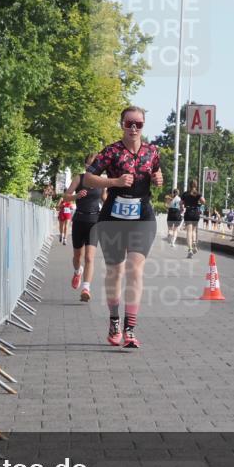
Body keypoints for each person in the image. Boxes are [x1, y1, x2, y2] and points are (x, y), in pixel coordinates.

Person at [81, 106, 163, 349]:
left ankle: (130, 329)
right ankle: (114, 321)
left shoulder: (152, 151)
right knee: (115, 272)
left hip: (142, 216)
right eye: (129, 123)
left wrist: (159, 180)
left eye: (139, 123)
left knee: (135, 270)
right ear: (122, 125)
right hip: (114, 217)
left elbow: (157, 174)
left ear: (144, 125)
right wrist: (114, 181)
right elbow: (88, 178)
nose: (134, 128)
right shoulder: (111, 152)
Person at [64, 155, 106, 302]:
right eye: (89, 164)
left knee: (89, 257)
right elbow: (66, 196)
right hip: (79, 220)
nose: (91, 167)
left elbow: (105, 199)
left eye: (94, 164)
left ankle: (86, 288)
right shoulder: (79, 179)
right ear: (85, 164)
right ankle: (77, 271)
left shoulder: (101, 182)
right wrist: (76, 197)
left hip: (94, 221)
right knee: (77, 257)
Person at [181, 179, 204, 258]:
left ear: (189, 185)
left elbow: (181, 203)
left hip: (188, 212)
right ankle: (194, 242)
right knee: (194, 230)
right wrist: (199, 202)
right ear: (196, 185)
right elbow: (203, 201)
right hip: (195, 212)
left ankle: (190, 249)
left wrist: (182, 208)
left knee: (189, 232)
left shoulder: (185, 194)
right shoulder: (197, 193)